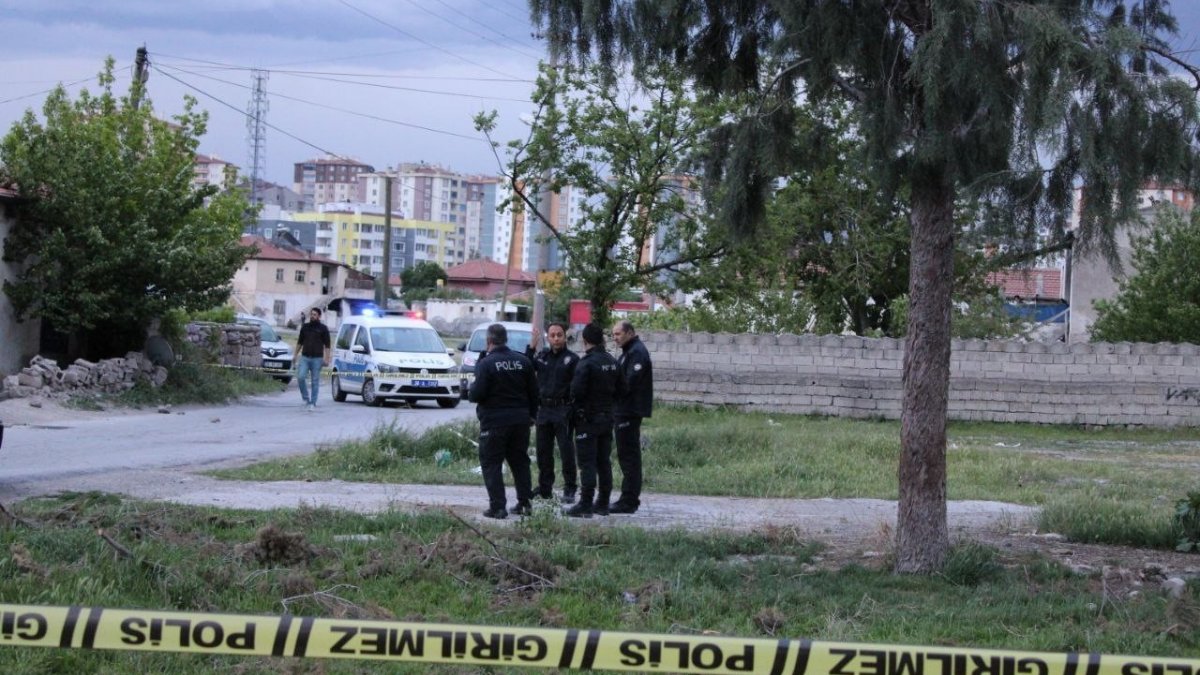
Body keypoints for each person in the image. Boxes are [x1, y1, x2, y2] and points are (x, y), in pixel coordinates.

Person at [468, 323, 539, 519]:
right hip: (520, 421)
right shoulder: (523, 361)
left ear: (489, 341)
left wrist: (471, 387)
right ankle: (525, 503)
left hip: (494, 422)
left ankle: (498, 507)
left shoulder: (486, 364)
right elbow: (534, 393)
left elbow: (476, 394)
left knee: (491, 463)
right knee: (520, 462)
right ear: (506, 339)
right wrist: (532, 416)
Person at [564, 323, 622, 518]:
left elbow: (576, 392)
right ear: (602, 340)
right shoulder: (613, 362)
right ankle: (603, 503)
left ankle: (586, 504)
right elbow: (623, 389)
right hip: (607, 418)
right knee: (603, 462)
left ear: (585, 341)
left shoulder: (586, 363)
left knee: (587, 463)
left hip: (587, 420)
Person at [525, 322, 580, 504]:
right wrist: (532, 346)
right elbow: (526, 366)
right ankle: (545, 488)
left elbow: (578, 387)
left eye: (559, 335)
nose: (556, 338)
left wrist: (572, 410)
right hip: (544, 410)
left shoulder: (572, 359)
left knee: (566, 451)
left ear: (565, 336)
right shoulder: (542, 357)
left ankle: (570, 488)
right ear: (548, 338)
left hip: (563, 410)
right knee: (543, 452)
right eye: (552, 335)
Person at [611, 319, 653, 513]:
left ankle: (628, 501)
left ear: (629, 333)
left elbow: (628, 383)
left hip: (629, 411)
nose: (615, 338)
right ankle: (627, 498)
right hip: (622, 410)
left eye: (618, 334)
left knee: (629, 457)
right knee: (625, 455)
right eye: (613, 334)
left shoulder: (637, 353)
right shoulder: (628, 352)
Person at [295, 307, 331, 411]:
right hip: (305, 357)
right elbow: (300, 342)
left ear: (319, 316)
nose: (312, 316)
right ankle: (306, 398)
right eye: (311, 314)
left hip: (317, 359)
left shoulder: (323, 329)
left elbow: (327, 345)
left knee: (315, 381)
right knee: (301, 377)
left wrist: (327, 359)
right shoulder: (305, 327)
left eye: (314, 314)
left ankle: (313, 402)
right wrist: (295, 355)